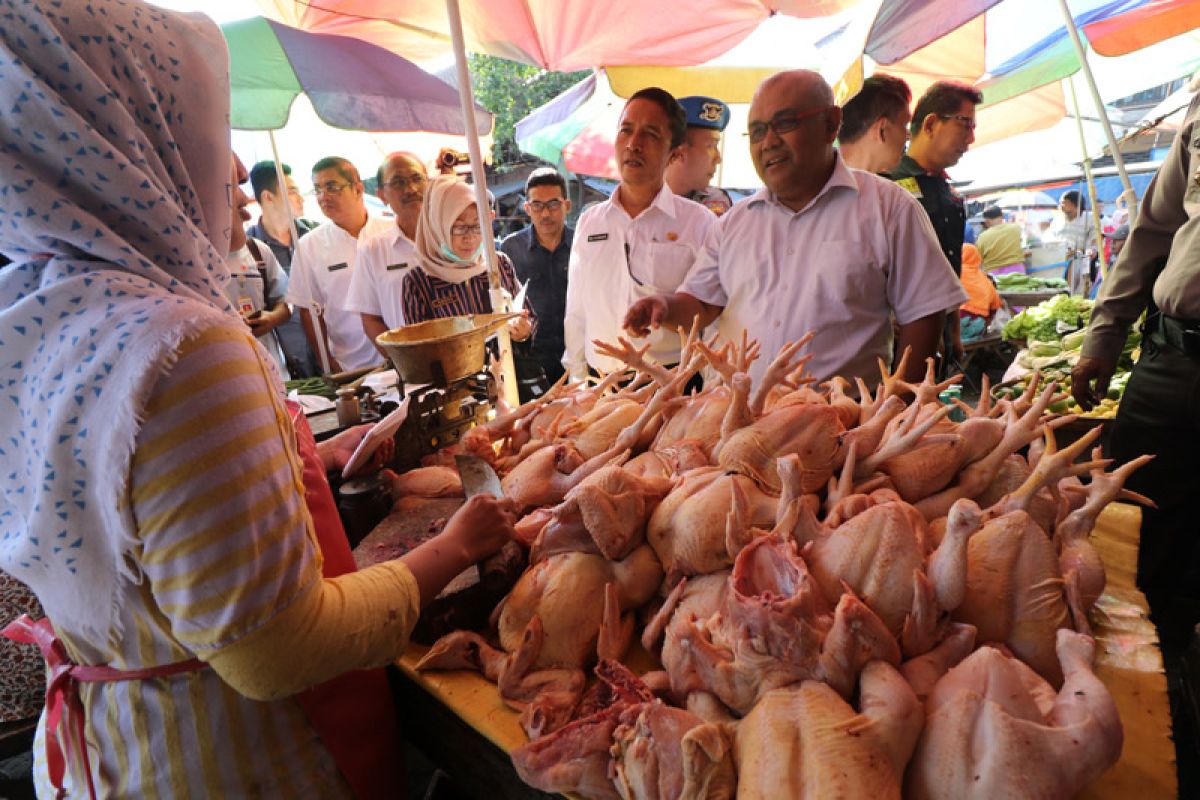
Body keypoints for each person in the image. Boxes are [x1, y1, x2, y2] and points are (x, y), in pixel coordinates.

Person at [0, 4, 521, 798]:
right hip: (232, 758)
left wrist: (297, 455)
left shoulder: (34, 312)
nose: (242, 173)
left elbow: (143, 523)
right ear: (126, 137)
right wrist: (455, 545)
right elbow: (273, 649)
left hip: (110, 742)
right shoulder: (181, 346)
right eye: (201, 122)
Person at [624, 70, 966, 387]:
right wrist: (665, 307)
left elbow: (923, 315)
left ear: (831, 124)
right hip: (733, 426)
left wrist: (900, 404)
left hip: (835, 432)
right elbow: (701, 304)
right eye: (757, 131)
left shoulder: (888, 207)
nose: (768, 142)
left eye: (784, 123)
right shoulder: (732, 223)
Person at [1071, 92, 1200, 796]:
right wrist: (1104, 334)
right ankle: (1143, 700)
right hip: (1172, 363)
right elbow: (1151, 234)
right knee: (1124, 534)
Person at [564, 87, 719, 381]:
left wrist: (710, 392)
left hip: (670, 389)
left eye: (650, 133)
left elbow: (711, 323)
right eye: (626, 130)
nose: (633, 144)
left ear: (675, 153)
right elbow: (577, 312)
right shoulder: (590, 223)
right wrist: (577, 379)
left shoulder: (699, 224)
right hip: (602, 389)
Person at [887, 80, 981, 367]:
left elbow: (947, 266)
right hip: (900, 339)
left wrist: (952, 329)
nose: (971, 138)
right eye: (965, 124)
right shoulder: (887, 183)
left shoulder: (947, 190)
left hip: (939, 335)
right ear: (930, 124)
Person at [286, 156, 394, 372]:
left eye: (332, 187)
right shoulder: (309, 246)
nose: (323, 197)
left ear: (358, 188)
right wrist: (328, 363)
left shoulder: (392, 231)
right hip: (351, 366)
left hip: (404, 355)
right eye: (317, 189)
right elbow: (309, 311)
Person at [402, 175, 535, 344]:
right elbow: (419, 351)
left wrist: (523, 330)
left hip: (508, 369)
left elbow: (529, 317)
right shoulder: (419, 283)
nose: (470, 237)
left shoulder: (499, 263)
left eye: (477, 225)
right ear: (438, 226)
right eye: (459, 227)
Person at [347, 151, 428, 356]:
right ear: (381, 195)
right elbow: (370, 320)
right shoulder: (372, 251)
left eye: (417, 178)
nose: (411, 189)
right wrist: (403, 362)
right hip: (409, 370)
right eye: (398, 182)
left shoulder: (456, 240)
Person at [247, 159, 321, 377]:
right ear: (268, 197)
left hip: (334, 354)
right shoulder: (252, 252)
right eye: (291, 192)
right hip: (288, 369)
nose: (301, 198)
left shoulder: (316, 237)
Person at [500, 167, 574, 385]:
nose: (545, 213)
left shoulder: (582, 242)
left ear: (566, 205)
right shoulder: (511, 248)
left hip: (577, 356)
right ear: (527, 208)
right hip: (530, 360)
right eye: (537, 205)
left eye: (553, 204)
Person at [226, 155, 292, 374]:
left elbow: (287, 301)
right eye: (238, 209)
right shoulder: (195, 264)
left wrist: (272, 318)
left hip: (273, 370)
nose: (246, 212)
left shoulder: (258, 251)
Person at [666, 96, 735, 216]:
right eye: (711, 146)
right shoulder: (639, 201)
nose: (718, 158)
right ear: (680, 151)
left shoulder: (717, 201)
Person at [838, 74, 912, 174]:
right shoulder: (888, 189)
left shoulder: (816, 179)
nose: (908, 136)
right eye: (904, 125)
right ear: (882, 130)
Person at [958, 243, 1001, 341]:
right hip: (977, 327)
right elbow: (995, 306)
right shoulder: (985, 279)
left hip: (954, 327)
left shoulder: (954, 274)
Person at [976, 205, 1027, 275]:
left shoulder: (982, 237)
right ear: (1002, 216)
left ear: (987, 221)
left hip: (994, 275)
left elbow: (978, 260)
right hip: (1017, 271)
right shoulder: (1015, 228)